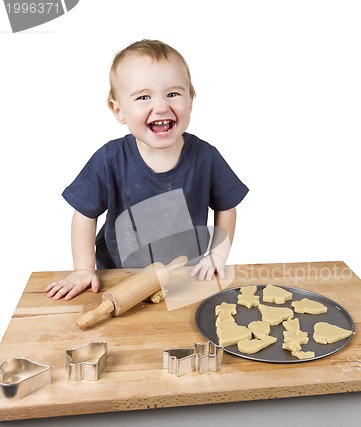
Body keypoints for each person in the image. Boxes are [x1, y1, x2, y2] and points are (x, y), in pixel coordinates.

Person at [45, 39, 248, 301]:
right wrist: (83, 269)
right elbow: (84, 214)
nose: (162, 106)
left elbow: (226, 206)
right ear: (118, 110)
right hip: (120, 276)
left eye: (173, 94)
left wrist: (217, 256)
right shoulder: (109, 159)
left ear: (191, 100)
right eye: (143, 97)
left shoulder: (206, 157)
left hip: (183, 276)